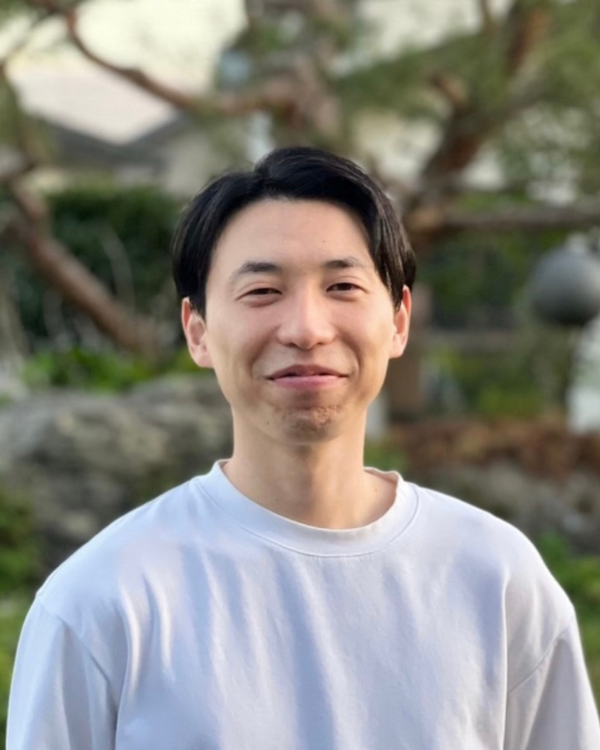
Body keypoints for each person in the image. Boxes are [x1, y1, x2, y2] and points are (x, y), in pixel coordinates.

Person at [7, 146, 600, 750]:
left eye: (342, 286)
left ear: (398, 321)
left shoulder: (497, 578)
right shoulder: (103, 599)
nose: (307, 329)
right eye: (263, 291)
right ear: (197, 331)